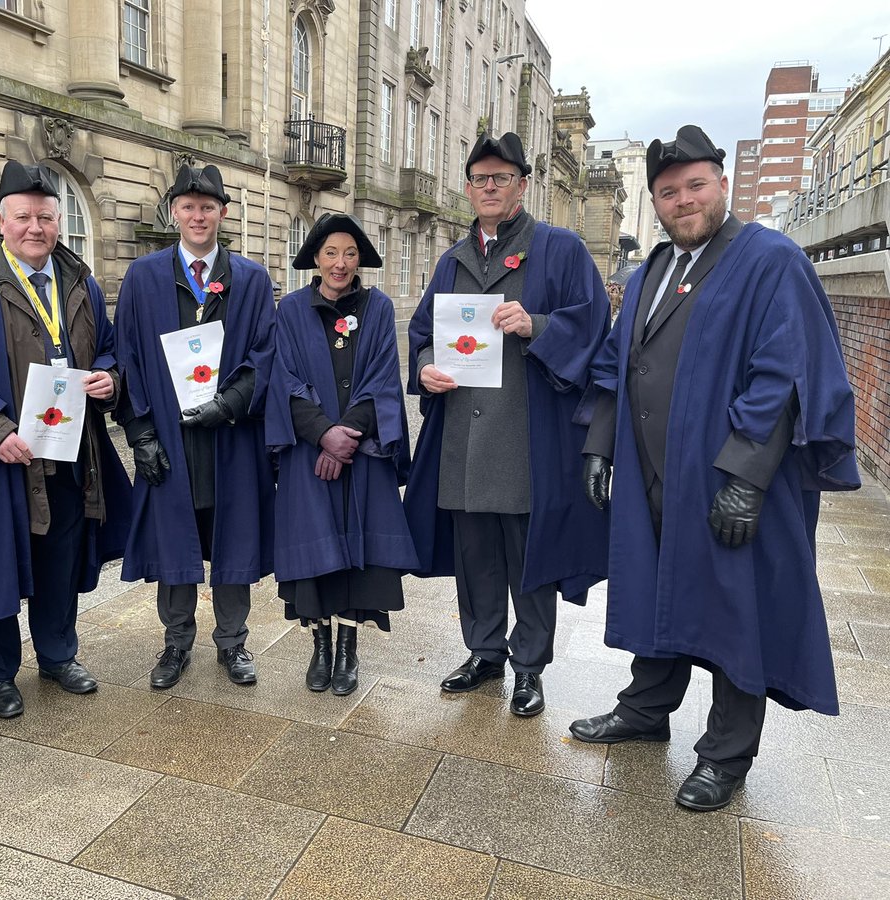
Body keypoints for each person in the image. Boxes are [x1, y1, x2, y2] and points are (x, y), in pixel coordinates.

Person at [572, 125, 860, 811]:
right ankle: (646, 709)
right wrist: (600, 444)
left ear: (722, 183)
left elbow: (783, 375)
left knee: (738, 610)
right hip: (652, 472)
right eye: (668, 192)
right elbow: (619, 367)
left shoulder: (769, 261)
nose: (683, 200)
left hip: (729, 481)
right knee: (657, 586)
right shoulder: (650, 272)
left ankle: (725, 755)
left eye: (695, 185)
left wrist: (747, 478)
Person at [405, 132, 611, 716]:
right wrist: (425, 369)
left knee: (529, 556)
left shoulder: (561, 250)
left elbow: (594, 328)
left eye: (501, 178)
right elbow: (424, 334)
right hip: (464, 436)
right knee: (476, 555)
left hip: (526, 436)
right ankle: (484, 650)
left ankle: (529, 665)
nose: (489, 188)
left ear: (522, 184)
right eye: (479, 179)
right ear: (468, 188)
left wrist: (537, 326)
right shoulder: (453, 259)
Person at [0, 160, 131, 719]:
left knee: (59, 559)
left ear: (58, 222)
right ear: (0, 220)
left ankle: (59, 655)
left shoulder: (81, 282)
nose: (34, 227)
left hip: (67, 451)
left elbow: (108, 349)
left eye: (45, 216)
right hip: (0, 460)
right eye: (23, 216)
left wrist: (110, 377)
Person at [113, 162, 275, 689]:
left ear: (223, 213)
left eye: (208, 207)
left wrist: (228, 404)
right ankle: (176, 643)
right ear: (174, 213)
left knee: (234, 539)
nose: (198, 215)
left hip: (230, 436)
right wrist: (140, 435)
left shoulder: (249, 280)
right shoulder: (143, 277)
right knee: (174, 543)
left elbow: (265, 356)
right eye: (188, 206)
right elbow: (128, 356)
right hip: (169, 435)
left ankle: (233, 642)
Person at [267, 214, 418, 695]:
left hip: (362, 450)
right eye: (330, 253)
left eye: (349, 253)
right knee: (317, 548)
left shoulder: (377, 308)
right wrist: (321, 434)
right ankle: (320, 646)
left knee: (358, 553)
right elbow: (283, 380)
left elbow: (382, 378)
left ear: (360, 261)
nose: (340, 263)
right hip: (309, 454)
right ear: (315, 257)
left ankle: (349, 650)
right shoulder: (290, 310)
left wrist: (346, 433)